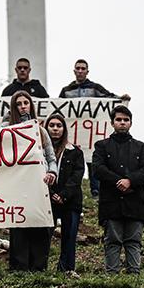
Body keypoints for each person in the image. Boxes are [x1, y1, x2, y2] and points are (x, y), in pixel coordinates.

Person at [93, 105, 144, 275]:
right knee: (112, 240)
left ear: (131, 123)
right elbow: (98, 169)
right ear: (112, 123)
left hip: (135, 202)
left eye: (126, 120)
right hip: (111, 203)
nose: (122, 123)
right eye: (119, 120)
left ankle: (134, 276)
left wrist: (129, 181)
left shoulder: (141, 147)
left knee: (134, 240)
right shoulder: (101, 146)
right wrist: (118, 181)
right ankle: (112, 276)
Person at [59, 59, 130, 198]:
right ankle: (70, 188)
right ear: (74, 71)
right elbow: (60, 108)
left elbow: (109, 98)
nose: (80, 71)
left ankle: (95, 190)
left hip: (91, 134)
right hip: (76, 132)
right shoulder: (66, 90)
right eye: (78, 68)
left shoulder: (95, 88)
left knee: (93, 159)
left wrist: (121, 99)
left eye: (83, 68)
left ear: (87, 71)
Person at [4, 91, 58, 271]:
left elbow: (51, 158)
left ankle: (38, 267)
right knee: (19, 226)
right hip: (17, 187)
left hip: (38, 186)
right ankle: (19, 267)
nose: (23, 106)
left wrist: (52, 172)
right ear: (14, 108)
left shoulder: (41, 131)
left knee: (39, 225)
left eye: (26, 103)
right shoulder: (6, 130)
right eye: (18, 104)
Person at [45, 112, 84, 275]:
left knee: (69, 237)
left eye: (59, 126)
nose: (55, 129)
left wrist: (63, 195)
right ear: (46, 128)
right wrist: (52, 193)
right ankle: (41, 267)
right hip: (47, 200)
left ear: (64, 129)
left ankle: (66, 269)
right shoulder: (39, 151)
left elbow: (77, 175)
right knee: (45, 235)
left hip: (70, 201)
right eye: (52, 125)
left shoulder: (75, 151)